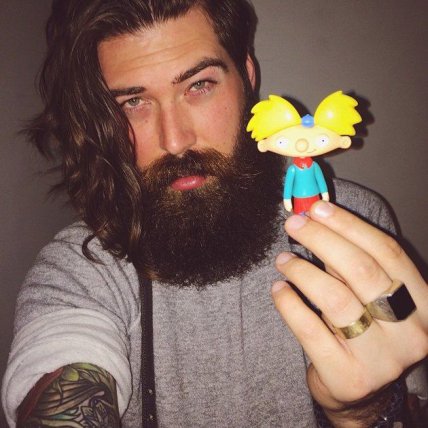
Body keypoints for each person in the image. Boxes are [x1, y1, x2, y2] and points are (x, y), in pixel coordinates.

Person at [2, 1, 427, 427]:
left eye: (199, 85)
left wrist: (363, 412)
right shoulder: (82, 266)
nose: (175, 141)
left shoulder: (353, 218)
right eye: (134, 101)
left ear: (247, 76)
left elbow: (411, 407)